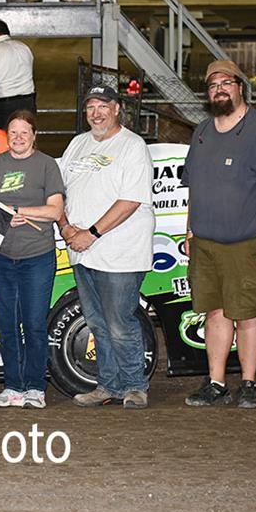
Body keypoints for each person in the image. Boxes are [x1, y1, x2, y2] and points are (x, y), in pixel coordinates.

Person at [182, 59, 256, 410]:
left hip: (247, 244)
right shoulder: (202, 132)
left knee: (247, 314)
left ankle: (248, 383)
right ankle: (216, 383)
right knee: (215, 314)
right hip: (205, 244)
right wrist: (190, 230)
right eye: (213, 85)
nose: (219, 90)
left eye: (226, 83)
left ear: (240, 87)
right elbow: (194, 187)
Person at [58, 84, 155, 410]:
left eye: (103, 106)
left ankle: (135, 386)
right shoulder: (78, 143)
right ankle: (108, 385)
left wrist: (92, 233)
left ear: (116, 109)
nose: (96, 113)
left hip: (119, 253)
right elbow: (59, 191)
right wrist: (66, 227)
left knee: (119, 322)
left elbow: (131, 200)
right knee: (97, 323)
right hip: (82, 252)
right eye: (91, 107)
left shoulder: (132, 146)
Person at [0, 110, 64, 409]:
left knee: (34, 324)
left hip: (36, 257)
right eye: (13, 132)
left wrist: (18, 211)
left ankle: (35, 388)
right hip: (1, 257)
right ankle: (13, 387)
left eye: (24, 132)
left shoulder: (47, 165)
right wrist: (3, 217)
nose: (18, 138)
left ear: (34, 135)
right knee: (6, 325)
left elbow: (55, 210)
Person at [0, 19, 36, 130]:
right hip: (28, 103)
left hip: (4, 107)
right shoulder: (24, 47)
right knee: (24, 135)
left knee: (0, 138)